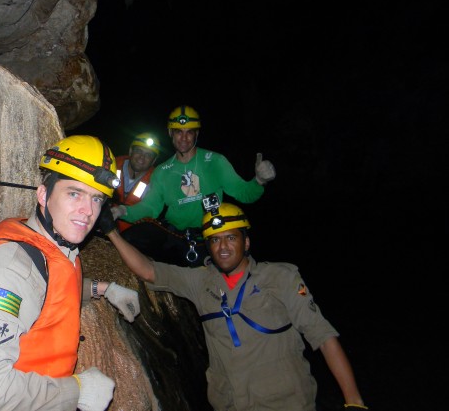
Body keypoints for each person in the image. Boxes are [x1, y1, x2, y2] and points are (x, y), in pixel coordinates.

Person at [0, 135, 141, 411]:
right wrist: (77, 391)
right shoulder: (8, 271)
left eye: (96, 199)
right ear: (43, 194)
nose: (88, 211)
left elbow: (48, 290)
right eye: (74, 194)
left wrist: (103, 289)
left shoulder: (51, 243)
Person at [100, 201, 368, 411]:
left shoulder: (281, 278)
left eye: (231, 238)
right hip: (230, 404)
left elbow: (323, 337)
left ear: (246, 242)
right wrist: (112, 231)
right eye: (215, 240)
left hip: (286, 403)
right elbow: (149, 271)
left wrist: (354, 401)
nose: (223, 247)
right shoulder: (200, 281)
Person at [112, 105, 276, 268]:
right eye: (178, 131)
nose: (184, 138)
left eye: (189, 132)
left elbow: (244, 193)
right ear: (170, 133)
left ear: (196, 134)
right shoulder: (162, 171)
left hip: (209, 236)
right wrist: (122, 211)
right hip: (175, 236)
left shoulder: (215, 161)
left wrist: (259, 180)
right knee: (131, 237)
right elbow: (150, 207)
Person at [112, 132, 161, 233]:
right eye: (139, 151)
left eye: (148, 155)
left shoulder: (156, 180)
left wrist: (122, 211)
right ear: (131, 151)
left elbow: (150, 208)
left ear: (154, 160)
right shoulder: (112, 165)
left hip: (132, 233)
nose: (142, 157)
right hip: (103, 224)